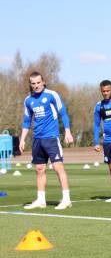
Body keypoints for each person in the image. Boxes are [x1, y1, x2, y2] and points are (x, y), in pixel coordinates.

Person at [19, 71, 74, 210]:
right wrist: (22, 139)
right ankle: (41, 200)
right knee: (39, 169)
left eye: (38, 82)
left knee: (57, 167)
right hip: (37, 139)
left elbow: (63, 113)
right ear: (30, 85)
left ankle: (66, 199)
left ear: (43, 82)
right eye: (33, 83)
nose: (36, 85)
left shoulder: (52, 95)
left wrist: (67, 131)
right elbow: (27, 121)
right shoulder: (28, 100)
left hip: (51, 137)